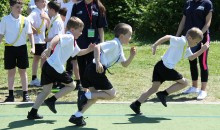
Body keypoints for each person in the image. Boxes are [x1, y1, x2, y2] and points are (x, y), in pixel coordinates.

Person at [27, 16, 95, 120]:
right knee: (72, 85)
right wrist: (49, 48)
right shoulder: (69, 37)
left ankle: (32, 112)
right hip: (55, 67)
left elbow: (78, 52)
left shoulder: (72, 41)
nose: (81, 33)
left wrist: (89, 49)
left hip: (48, 65)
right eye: (80, 31)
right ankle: (52, 100)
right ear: (72, 30)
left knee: (46, 90)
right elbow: (57, 37)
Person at [68, 23, 136, 126]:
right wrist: (99, 62)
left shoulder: (119, 48)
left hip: (92, 70)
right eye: (129, 35)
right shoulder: (114, 43)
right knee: (112, 94)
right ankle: (84, 95)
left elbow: (125, 64)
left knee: (94, 97)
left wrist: (132, 56)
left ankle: (77, 116)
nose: (130, 38)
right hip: (96, 70)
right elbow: (97, 47)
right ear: (122, 36)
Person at [130, 27, 209, 115]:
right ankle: (163, 94)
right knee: (185, 83)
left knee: (154, 88)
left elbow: (191, 57)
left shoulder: (186, 46)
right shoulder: (181, 41)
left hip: (159, 66)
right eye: (196, 42)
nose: (196, 44)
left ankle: (136, 104)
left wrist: (202, 50)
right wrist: (155, 45)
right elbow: (167, 37)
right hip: (165, 68)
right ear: (190, 38)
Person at [176, 0, 213, 100]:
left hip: (203, 38)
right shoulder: (188, 3)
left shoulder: (207, 3)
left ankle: (203, 90)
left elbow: (208, 23)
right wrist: (177, 36)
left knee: (203, 63)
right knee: (192, 61)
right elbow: (183, 21)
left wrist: (199, 35)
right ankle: (194, 87)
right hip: (190, 39)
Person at [0, 0, 35, 102]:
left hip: (22, 48)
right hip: (9, 48)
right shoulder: (5, 19)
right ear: (11, 7)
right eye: (17, 7)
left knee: (23, 71)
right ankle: (11, 95)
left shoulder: (25, 20)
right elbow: (1, 35)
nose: (20, 9)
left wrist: (33, 47)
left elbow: (30, 34)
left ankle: (25, 94)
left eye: (21, 7)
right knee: (11, 72)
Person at [71, 0, 108, 90]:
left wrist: (102, 43)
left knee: (92, 65)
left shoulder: (99, 7)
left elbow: (100, 27)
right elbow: (71, 25)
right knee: (82, 67)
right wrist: (72, 40)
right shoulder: (77, 6)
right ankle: (84, 89)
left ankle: (94, 88)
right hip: (80, 43)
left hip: (94, 43)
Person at [28, 0, 50, 87]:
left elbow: (48, 26)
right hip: (38, 40)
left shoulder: (44, 12)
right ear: (36, 3)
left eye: (44, 1)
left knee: (39, 59)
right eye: (41, 2)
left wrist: (46, 18)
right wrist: (34, 29)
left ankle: (37, 78)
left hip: (43, 39)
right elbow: (28, 21)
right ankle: (37, 78)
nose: (44, 3)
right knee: (40, 59)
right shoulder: (34, 12)